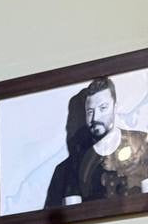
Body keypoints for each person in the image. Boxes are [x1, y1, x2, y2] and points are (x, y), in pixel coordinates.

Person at [50, 76, 148, 205]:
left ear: (115, 107)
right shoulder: (75, 162)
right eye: (90, 111)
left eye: (103, 108)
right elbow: (73, 211)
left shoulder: (141, 143)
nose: (95, 117)